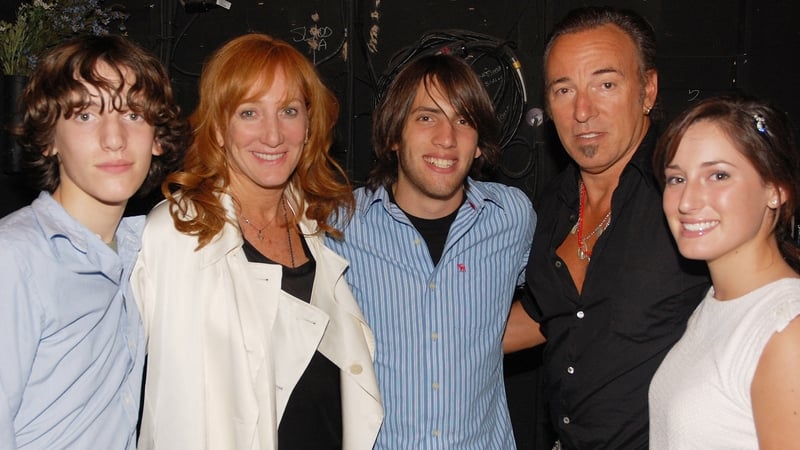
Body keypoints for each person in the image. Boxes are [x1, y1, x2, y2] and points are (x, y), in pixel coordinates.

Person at [131, 33, 383, 449]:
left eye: (288, 111)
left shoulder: (315, 226)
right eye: (249, 112)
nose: (273, 135)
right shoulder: (178, 232)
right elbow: (162, 403)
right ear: (217, 127)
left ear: (309, 125)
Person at [503, 6, 710, 449]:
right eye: (564, 89)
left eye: (606, 84)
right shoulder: (550, 208)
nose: (582, 111)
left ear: (647, 90)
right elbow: (549, 317)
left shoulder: (689, 194)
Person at [326, 53, 535, 449]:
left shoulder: (511, 217)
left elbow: (559, 300)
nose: (446, 138)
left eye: (464, 120)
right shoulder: (339, 227)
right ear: (393, 135)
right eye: (426, 117)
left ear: (478, 146)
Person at [0, 35, 187, 448]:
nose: (115, 138)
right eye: (85, 115)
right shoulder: (15, 259)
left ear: (157, 138)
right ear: (49, 139)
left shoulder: (145, 249)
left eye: (134, 115)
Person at [649, 96, 800, 449]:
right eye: (676, 179)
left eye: (718, 175)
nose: (687, 201)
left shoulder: (786, 331)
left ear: (775, 190)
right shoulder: (719, 302)